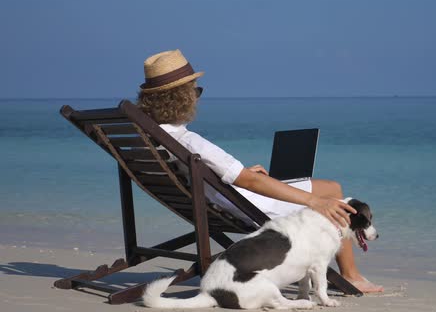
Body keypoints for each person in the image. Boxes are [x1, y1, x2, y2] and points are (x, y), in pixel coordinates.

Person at [136, 49, 383, 293]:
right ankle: (352, 276)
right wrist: (314, 201)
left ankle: (336, 270)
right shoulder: (190, 141)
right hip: (248, 204)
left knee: (330, 187)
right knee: (333, 196)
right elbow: (250, 182)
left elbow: (231, 176)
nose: (197, 97)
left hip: (224, 198)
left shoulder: (156, 137)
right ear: (182, 98)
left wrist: (238, 175)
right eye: (195, 91)